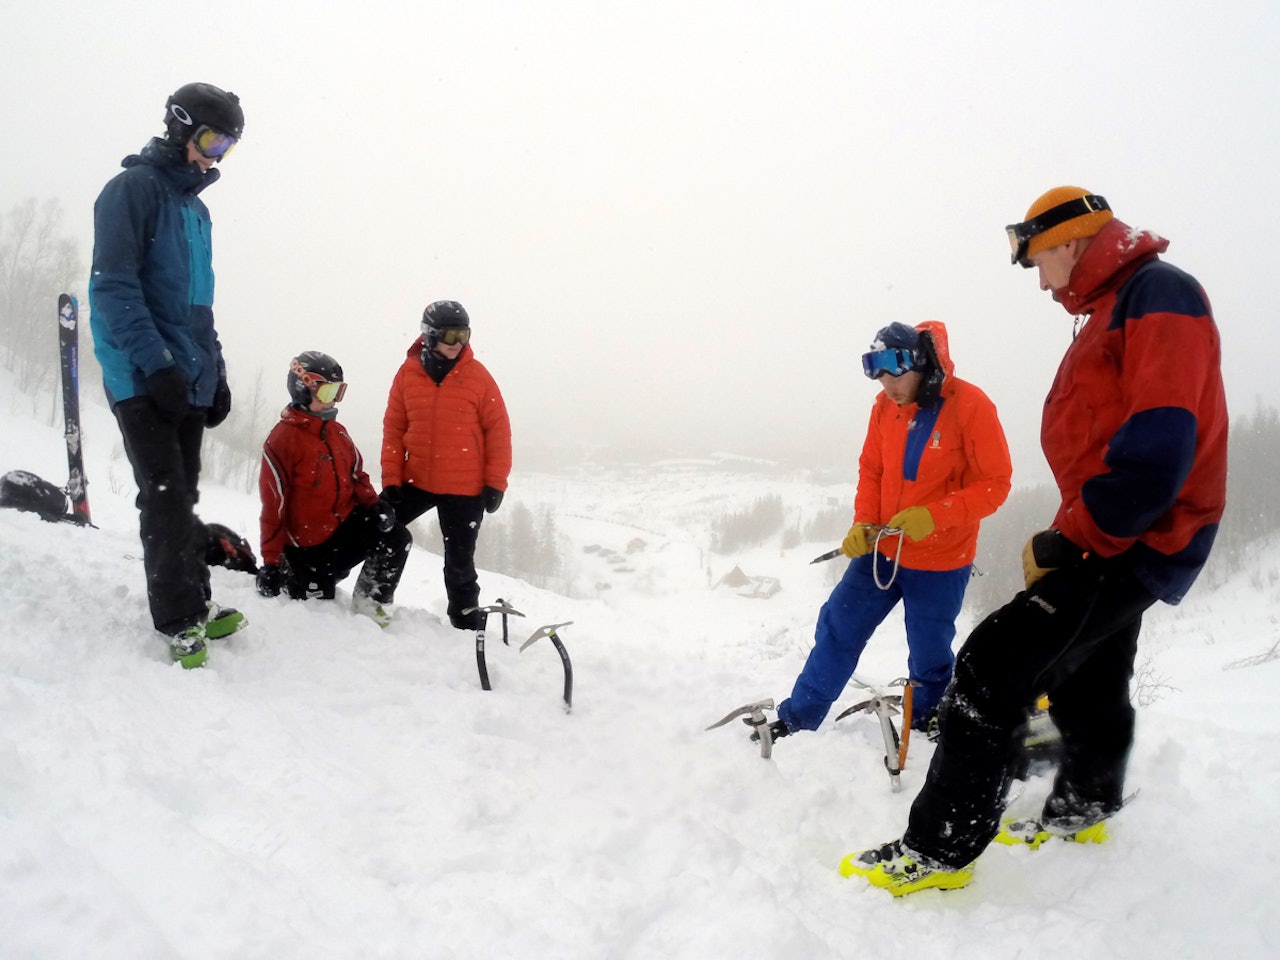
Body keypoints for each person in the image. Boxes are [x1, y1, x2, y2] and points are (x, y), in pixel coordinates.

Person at [842, 187, 1229, 896]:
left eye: (1034, 258)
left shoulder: (1156, 294)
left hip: (1133, 531)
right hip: (1125, 525)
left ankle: (938, 851)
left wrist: (1072, 539)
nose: (1035, 276)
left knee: (990, 668)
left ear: (1069, 240)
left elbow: (1161, 439)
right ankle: (1085, 802)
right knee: (1092, 666)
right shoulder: (1117, 303)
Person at [761, 320, 1011, 745]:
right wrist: (862, 522)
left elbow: (996, 484)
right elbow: (872, 470)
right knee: (838, 627)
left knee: (930, 653)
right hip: (882, 552)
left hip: (941, 559)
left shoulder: (970, 405)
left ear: (920, 362)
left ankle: (927, 720)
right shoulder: (883, 408)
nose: (888, 386)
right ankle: (800, 717)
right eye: (879, 377)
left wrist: (935, 515)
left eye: (895, 375)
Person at [89, 82, 247, 669]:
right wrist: (155, 365)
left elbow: (200, 308)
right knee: (164, 495)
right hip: (140, 374)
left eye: (227, 145)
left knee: (183, 494)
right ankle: (178, 618)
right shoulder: (132, 191)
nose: (216, 155)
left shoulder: (196, 211)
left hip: (183, 375)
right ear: (180, 127)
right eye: (211, 139)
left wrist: (217, 373)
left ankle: (195, 602)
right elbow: (113, 286)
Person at [381, 301, 512, 629]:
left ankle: (465, 617)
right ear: (430, 335)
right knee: (376, 528)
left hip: (464, 488)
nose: (458, 343)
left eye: (464, 334)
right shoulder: (407, 374)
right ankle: (367, 594)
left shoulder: (478, 377)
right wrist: (392, 479)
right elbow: (394, 429)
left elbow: (499, 431)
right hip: (416, 481)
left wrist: (496, 482)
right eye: (451, 335)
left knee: (459, 562)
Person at [256, 352, 412, 626]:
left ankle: (370, 601)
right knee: (318, 612)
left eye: (338, 392)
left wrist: (375, 505)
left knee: (396, 537)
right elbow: (273, 506)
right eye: (328, 392)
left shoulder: (337, 432)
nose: (334, 400)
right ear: (303, 388)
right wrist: (270, 563)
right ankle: (290, 572)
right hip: (307, 548)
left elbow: (357, 476)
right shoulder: (283, 440)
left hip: (341, 531)